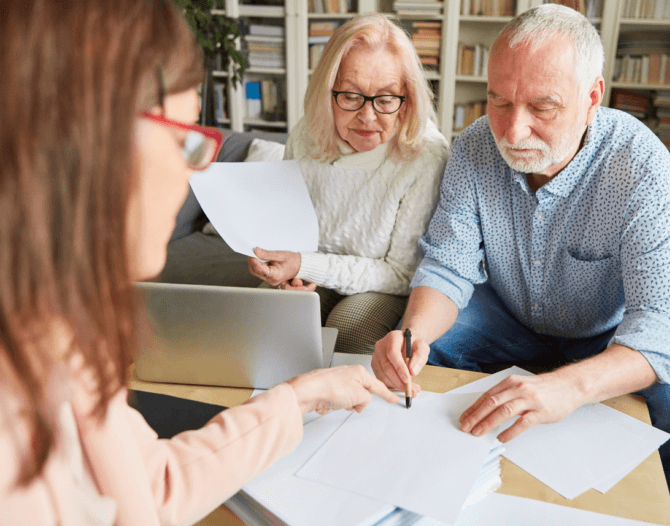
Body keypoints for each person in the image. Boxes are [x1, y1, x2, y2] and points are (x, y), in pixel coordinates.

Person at [0, 1, 399, 525]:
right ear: (89, 139)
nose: (197, 170)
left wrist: (299, 397)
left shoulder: (61, 337)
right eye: (186, 139)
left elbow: (151, 490)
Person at [371, 4, 670, 521]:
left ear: (592, 98)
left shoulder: (641, 166)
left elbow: (661, 326)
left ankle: (657, 515)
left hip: (609, 334)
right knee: (425, 352)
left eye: (542, 107)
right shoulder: (475, 146)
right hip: (504, 315)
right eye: (499, 100)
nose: (513, 130)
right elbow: (448, 267)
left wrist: (569, 386)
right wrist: (413, 334)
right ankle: (431, 498)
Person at [246, 14, 450, 355]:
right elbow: (288, 226)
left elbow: (401, 274)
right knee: (262, 318)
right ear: (327, 92)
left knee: (349, 334)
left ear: (408, 99)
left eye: (386, 100)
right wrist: (283, 271)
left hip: (381, 284)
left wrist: (305, 264)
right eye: (351, 96)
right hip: (312, 268)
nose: (368, 117)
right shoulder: (307, 134)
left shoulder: (425, 155)